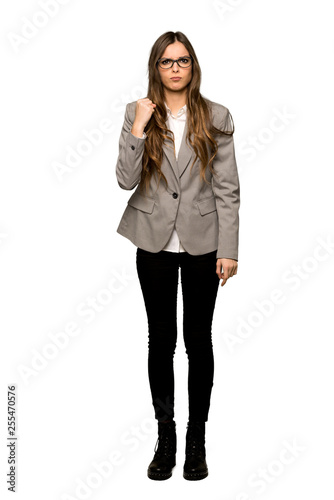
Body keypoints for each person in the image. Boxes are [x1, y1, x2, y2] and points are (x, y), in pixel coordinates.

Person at [115, 31, 240, 481]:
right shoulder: (138, 113)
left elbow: (227, 189)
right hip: (153, 242)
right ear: (156, 66)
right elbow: (125, 180)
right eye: (167, 61)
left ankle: (196, 439)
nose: (174, 68)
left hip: (204, 243)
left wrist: (229, 250)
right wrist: (137, 128)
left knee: (198, 341)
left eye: (182, 61)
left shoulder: (217, 116)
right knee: (160, 341)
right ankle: (165, 435)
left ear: (193, 66)